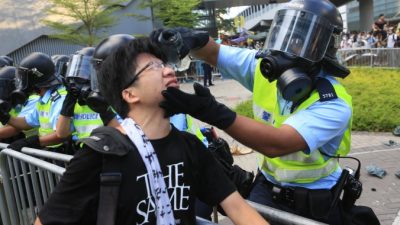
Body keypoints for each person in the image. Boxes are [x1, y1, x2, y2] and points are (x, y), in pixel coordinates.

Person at [151, 0, 379, 224]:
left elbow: (277, 144)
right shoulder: (265, 69)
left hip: (314, 204)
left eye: (298, 40)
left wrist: (214, 112)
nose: (286, 46)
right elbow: (214, 53)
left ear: (322, 49)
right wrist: (190, 39)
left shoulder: (333, 103)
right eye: (285, 35)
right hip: (266, 189)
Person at [34, 37, 269, 225]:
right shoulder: (99, 155)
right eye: (153, 67)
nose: (168, 71)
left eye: (164, 64)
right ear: (130, 94)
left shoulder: (190, 147)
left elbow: (237, 208)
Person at [0, 52, 68, 152]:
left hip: (62, 151)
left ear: (34, 78)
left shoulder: (59, 99)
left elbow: (62, 134)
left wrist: (34, 142)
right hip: (50, 149)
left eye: (23, 78)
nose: (21, 82)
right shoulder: (44, 98)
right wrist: (5, 117)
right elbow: (27, 123)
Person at [56, 47, 119, 147]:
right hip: (84, 152)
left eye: (83, 74)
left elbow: (122, 135)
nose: (76, 81)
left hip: (108, 153)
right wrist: (69, 102)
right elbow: (61, 133)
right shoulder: (76, 102)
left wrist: (103, 110)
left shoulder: (114, 100)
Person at [0, 66, 39, 143]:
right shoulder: (11, 101)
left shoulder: (33, 100)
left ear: (13, 85)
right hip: (23, 145)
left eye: (2, 87)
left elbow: (14, 129)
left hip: (39, 147)